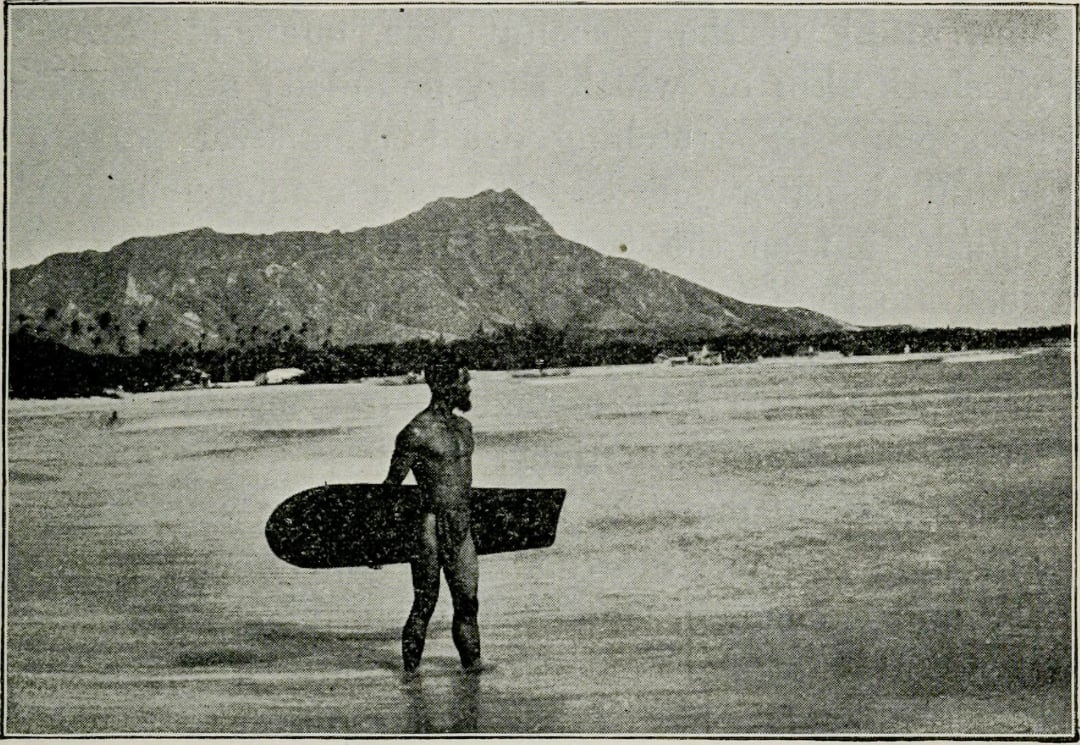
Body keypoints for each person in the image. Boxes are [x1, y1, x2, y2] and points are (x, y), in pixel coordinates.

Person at [384, 358, 487, 680]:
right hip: (429, 526)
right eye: (464, 381)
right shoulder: (415, 432)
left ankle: (473, 679)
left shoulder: (464, 427)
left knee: (468, 604)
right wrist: (378, 542)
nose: (469, 388)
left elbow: (459, 483)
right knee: (425, 604)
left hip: (462, 527)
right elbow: (391, 489)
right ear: (444, 386)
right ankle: (410, 679)